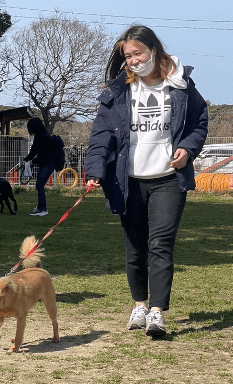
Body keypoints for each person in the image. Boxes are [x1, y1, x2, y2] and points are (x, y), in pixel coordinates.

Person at [84, 25, 208, 337]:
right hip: (129, 182)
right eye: (128, 56)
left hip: (168, 179)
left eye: (138, 53)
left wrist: (188, 148)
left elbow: (198, 122)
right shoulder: (118, 92)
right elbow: (100, 136)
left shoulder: (180, 85)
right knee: (135, 247)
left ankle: (157, 312)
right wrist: (96, 170)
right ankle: (139, 304)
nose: (133, 60)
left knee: (161, 243)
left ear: (154, 49)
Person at [23, 117, 56, 216]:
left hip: (49, 163)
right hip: (45, 163)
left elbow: (44, 154)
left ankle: (42, 209)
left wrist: (33, 161)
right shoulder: (40, 136)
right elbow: (34, 150)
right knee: (39, 185)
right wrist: (26, 160)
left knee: (39, 185)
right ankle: (41, 207)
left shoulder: (44, 137)